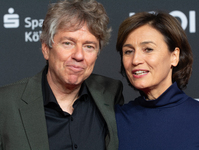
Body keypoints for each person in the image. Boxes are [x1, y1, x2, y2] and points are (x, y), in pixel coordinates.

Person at [0, 0, 124, 150]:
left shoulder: (111, 93)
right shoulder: (6, 103)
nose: (79, 55)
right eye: (68, 43)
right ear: (46, 48)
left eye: (89, 46)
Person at [115, 11, 199, 149]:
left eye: (148, 49)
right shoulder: (114, 120)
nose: (136, 60)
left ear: (174, 56)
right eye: (128, 51)